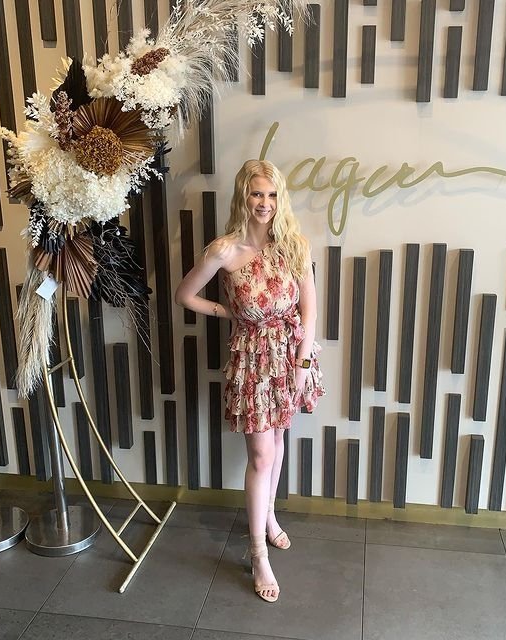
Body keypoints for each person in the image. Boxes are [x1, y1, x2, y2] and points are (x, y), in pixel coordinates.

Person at [175, 159, 325, 603]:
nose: (265, 203)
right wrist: (227, 312)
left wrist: (302, 364)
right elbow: (185, 295)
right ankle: (258, 553)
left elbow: (310, 310)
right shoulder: (224, 250)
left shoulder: (294, 245)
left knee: (277, 441)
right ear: (244, 195)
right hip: (252, 362)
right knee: (261, 454)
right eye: (257, 193)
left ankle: (270, 516)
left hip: (290, 358)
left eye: (272, 194)